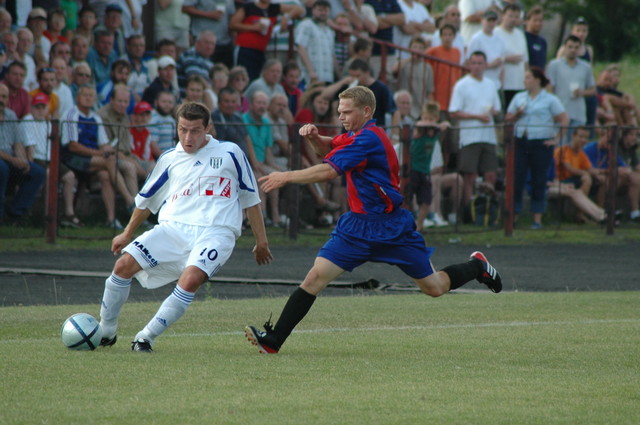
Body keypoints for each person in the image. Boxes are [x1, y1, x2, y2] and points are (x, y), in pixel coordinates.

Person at [244, 85, 502, 354]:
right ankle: (273, 341)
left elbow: (329, 171)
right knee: (315, 278)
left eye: (346, 112)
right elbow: (327, 149)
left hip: (391, 228)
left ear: (366, 111)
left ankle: (477, 266)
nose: (341, 117)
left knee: (435, 288)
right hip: (357, 227)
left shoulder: (370, 139)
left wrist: (285, 176)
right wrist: (313, 137)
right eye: (339, 111)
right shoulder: (354, 135)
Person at [98, 101, 272, 352]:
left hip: (216, 232)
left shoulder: (231, 153)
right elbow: (146, 201)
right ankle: (106, 329)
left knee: (190, 280)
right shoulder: (169, 158)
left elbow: (251, 198)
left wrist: (261, 241)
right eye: (183, 130)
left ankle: (145, 338)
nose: (188, 137)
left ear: (208, 128)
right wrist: (127, 233)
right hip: (173, 230)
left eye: (195, 131)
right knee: (123, 265)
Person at [61, 84, 135, 229]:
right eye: (85, 95)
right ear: (77, 98)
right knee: (109, 161)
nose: (88, 98)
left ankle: (111, 219)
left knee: (105, 176)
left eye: (91, 96)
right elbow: (72, 146)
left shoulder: (95, 117)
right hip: (71, 158)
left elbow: (103, 144)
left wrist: (108, 150)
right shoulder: (71, 115)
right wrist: (100, 153)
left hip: (90, 160)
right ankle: (130, 200)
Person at [505, 67, 568, 229]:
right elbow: (508, 118)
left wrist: (556, 139)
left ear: (538, 80)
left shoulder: (550, 99)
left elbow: (563, 118)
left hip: (541, 142)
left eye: (528, 77)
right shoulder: (519, 97)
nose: (525, 80)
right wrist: (518, 114)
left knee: (539, 179)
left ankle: (537, 218)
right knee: (517, 179)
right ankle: (514, 217)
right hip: (521, 141)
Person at [449, 51, 501, 206]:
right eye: (474, 63)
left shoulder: (491, 84)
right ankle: (467, 210)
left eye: (480, 63)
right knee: (470, 175)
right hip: (470, 137)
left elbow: (497, 109)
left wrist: (492, 112)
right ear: (469, 65)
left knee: (490, 174)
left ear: (485, 65)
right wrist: (477, 117)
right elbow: (454, 112)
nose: (477, 66)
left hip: (488, 136)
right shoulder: (461, 85)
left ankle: (488, 208)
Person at [0, 83, 45, 224]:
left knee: (37, 171)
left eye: (4, 97)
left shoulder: (11, 115)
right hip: (3, 160)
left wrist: (22, 160)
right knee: (2, 169)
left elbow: (18, 143)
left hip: (10, 158)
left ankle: (16, 214)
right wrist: (13, 160)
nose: (1, 99)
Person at [229, 0, 305, 82]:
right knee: (241, 76)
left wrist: (287, 17)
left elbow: (300, 10)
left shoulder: (273, 8)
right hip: (245, 48)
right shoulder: (249, 7)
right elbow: (233, 24)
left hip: (261, 50)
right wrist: (254, 27)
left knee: (255, 78)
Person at [583, 126, 640, 223]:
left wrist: (624, 171)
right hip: (594, 178)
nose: (611, 144)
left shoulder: (612, 150)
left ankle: (635, 213)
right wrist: (612, 170)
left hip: (608, 177)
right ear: (602, 136)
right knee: (609, 179)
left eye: (614, 141)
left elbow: (624, 167)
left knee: (633, 177)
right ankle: (603, 212)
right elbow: (590, 170)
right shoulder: (590, 149)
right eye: (609, 140)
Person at [243, 90, 283, 227]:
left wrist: (277, 169)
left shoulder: (266, 123)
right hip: (246, 164)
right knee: (260, 179)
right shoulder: (243, 120)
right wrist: (260, 167)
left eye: (264, 103)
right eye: (258, 103)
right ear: (251, 105)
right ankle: (262, 217)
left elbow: (268, 151)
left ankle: (275, 217)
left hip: (261, 163)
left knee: (275, 177)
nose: (261, 106)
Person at [546, 35, 596, 139]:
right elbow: (550, 88)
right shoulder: (554, 65)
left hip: (578, 113)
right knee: (560, 147)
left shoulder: (585, 67)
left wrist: (582, 92)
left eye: (576, 47)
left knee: (575, 147)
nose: (573, 50)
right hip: (561, 112)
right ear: (564, 48)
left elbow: (592, 89)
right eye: (570, 47)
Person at [494, 3, 527, 109]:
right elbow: (492, 58)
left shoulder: (520, 34)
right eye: (510, 16)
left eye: (516, 17)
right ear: (503, 16)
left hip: (519, 84)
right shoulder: (496, 33)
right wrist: (507, 59)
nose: (513, 19)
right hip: (504, 84)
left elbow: (526, 61)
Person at [295, 0, 336, 86]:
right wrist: (311, 72)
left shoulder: (330, 31)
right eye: (320, 10)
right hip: (309, 76)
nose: (323, 13)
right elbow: (301, 48)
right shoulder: (306, 25)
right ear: (313, 10)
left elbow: (332, 54)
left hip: (327, 77)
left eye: (326, 11)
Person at [182, 0, 234, 67]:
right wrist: (209, 14)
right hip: (203, 41)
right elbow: (185, 8)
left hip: (224, 42)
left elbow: (231, 14)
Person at [393, 36, 433, 120]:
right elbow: (393, 70)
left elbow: (430, 91)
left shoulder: (427, 67)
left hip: (420, 107)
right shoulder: (404, 64)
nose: (417, 50)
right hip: (406, 105)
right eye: (415, 47)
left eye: (420, 48)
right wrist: (411, 59)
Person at [466, 9, 504, 92]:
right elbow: (469, 63)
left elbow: (502, 64)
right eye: (488, 21)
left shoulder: (499, 40)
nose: (491, 24)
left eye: (493, 21)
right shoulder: (476, 39)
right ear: (482, 21)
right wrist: (490, 65)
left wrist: (501, 83)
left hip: (496, 84)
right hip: (480, 83)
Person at [149, 90, 177, 156]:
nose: (167, 105)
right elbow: (153, 146)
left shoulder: (171, 120)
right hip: (160, 158)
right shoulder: (153, 119)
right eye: (164, 101)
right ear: (156, 102)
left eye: (170, 102)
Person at [524, 5, 547, 69]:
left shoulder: (542, 42)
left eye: (540, 21)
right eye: (535, 20)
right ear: (527, 21)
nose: (538, 23)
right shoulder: (522, 38)